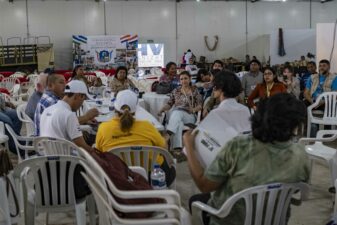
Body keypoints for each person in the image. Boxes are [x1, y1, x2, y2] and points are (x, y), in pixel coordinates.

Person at [184, 93, 310, 225]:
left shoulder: (239, 146)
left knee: (197, 199)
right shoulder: (301, 155)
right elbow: (296, 189)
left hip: (230, 220)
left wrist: (189, 146)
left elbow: (204, 185)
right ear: (294, 126)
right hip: (274, 220)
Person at [95, 89, 176, 186]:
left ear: (115, 107)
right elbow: (164, 148)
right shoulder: (147, 126)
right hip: (150, 178)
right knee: (170, 168)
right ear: (136, 108)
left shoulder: (103, 128)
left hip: (118, 180)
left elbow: (99, 154)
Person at [158, 71, 202, 161]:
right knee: (178, 121)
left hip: (190, 115)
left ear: (190, 79)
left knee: (176, 114)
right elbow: (169, 104)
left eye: (185, 78)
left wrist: (193, 110)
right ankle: (177, 150)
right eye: (181, 79)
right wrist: (162, 109)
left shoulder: (194, 90)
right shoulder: (176, 91)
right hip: (177, 116)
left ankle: (167, 135)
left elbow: (200, 105)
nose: (183, 81)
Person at [40, 80, 93, 152]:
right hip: (66, 160)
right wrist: (95, 151)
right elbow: (82, 146)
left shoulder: (47, 110)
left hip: (45, 158)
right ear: (77, 96)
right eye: (83, 100)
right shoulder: (69, 115)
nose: (81, 104)